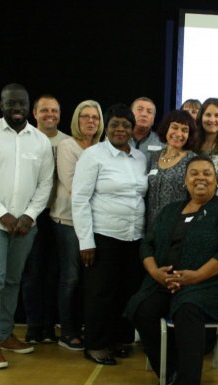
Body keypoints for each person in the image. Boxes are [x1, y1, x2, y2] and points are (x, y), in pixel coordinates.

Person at [126, 156, 218, 385]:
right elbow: (147, 244)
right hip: (164, 281)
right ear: (185, 180)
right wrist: (155, 272)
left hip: (209, 284)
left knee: (187, 311)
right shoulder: (170, 210)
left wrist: (195, 277)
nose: (200, 178)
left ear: (216, 179)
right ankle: (170, 371)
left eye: (207, 173)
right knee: (141, 309)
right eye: (194, 173)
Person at [0, 83, 54, 369]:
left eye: (21, 104)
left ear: (28, 107)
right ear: (1, 105)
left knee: (13, 279)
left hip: (25, 225)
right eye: (10, 104)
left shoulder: (39, 140)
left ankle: (5, 334)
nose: (16, 109)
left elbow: (45, 183)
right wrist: (2, 214)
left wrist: (29, 215)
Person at [72, 103, 148, 365]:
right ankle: (95, 343)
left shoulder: (139, 157)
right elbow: (79, 200)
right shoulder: (93, 156)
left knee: (126, 290)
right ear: (107, 127)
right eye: (115, 124)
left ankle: (118, 339)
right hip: (103, 235)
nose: (120, 129)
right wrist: (86, 242)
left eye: (125, 125)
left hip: (134, 236)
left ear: (131, 129)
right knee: (100, 292)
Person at [50, 99, 104, 351]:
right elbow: (73, 186)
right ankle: (67, 330)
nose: (90, 121)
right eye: (85, 117)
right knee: (70, 277)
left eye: (95, 117)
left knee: (87, 279)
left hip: (95, 222)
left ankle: (82, 325)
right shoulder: (67, 146)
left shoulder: (104, 147)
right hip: (68, 220)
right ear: (76, 120)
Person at [21, 94, 69, 344]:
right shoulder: (25, 139)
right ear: (35, 114)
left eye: (55, 110)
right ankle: (33, 325)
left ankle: (49, 325)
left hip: (58, 215)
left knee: (53, 273)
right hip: (31, 215)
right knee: (32, 273)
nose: (50, 114)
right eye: (44, 110)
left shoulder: (67, 142)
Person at [145, 109, 197, 231]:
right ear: (166, 129)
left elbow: (197, 199)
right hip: (150, 227)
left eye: (185, 130)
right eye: (174, 127)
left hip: (177, 229)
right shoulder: (154, 157)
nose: (179, 134)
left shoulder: (193, 160)